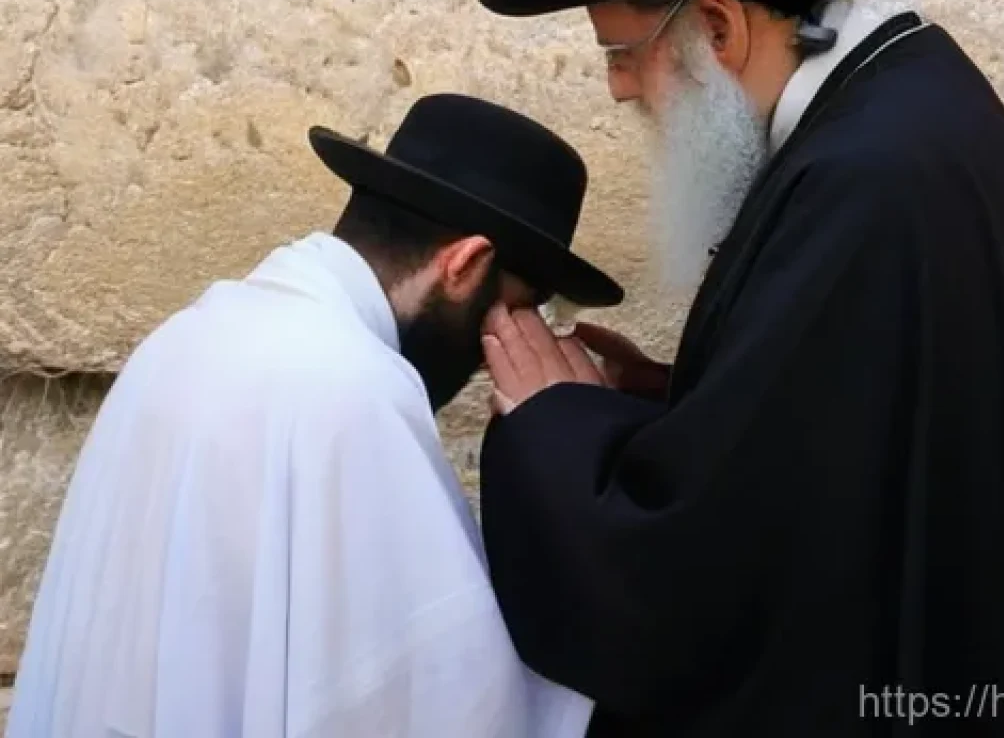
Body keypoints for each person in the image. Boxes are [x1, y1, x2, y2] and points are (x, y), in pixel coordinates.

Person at [473, 0, 1004, 736]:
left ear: (720, 26)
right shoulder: (906, 104)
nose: (617, 88)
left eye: (622, 53)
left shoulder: (864, 179)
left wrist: (553, 433)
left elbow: (715, 565)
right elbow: (842, 428)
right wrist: (674, 396)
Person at [6, 94, 622, 738]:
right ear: (465, 265)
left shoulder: (189, 334)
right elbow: (440, 699)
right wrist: (569, 452)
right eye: (517, 308)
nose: (507, 343)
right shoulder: (354, 391)